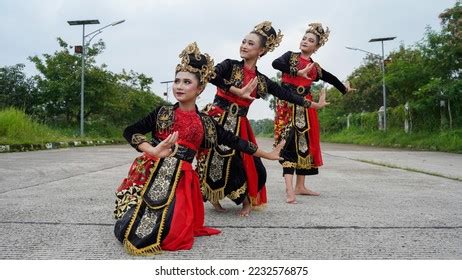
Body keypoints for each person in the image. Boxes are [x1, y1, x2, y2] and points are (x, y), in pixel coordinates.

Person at [113, 42, 284, 256]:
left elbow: (236, 141)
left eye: (187, 82)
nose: (179, 86)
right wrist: (153, 150)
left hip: (183, 180)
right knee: (133, 230)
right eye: (177, 81)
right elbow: (130, 131)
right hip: (152, 171)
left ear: (200, 88)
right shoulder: (163, 113)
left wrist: (268, 154)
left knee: (172, 232)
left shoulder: (207, 122)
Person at [197, 21, 328, 217]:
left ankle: (247, 202)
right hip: (216, 119)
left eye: (250, 44)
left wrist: (312, 104)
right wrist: (236, 90)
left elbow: (286, 94)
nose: (244, 46)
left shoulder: (261, 81)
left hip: (240, 124)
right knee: (211, 159)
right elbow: (210, 75)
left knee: (250, 165)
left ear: (262, 50)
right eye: (243, 41)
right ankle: (213, 196)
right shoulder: (229, 65)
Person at [272, 23, 355, 203]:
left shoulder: (315, 67)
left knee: (305, 144)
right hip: (287, 104)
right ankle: (289, 188)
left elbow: (330, 77)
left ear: (316, 47)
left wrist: (344, 89)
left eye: (311, 40)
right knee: (288, 142)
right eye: (304, 38)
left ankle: (300, 186)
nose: (305, 42)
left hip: (307, 106)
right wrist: (297, 71)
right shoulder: (290, 57)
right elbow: (275, 63)